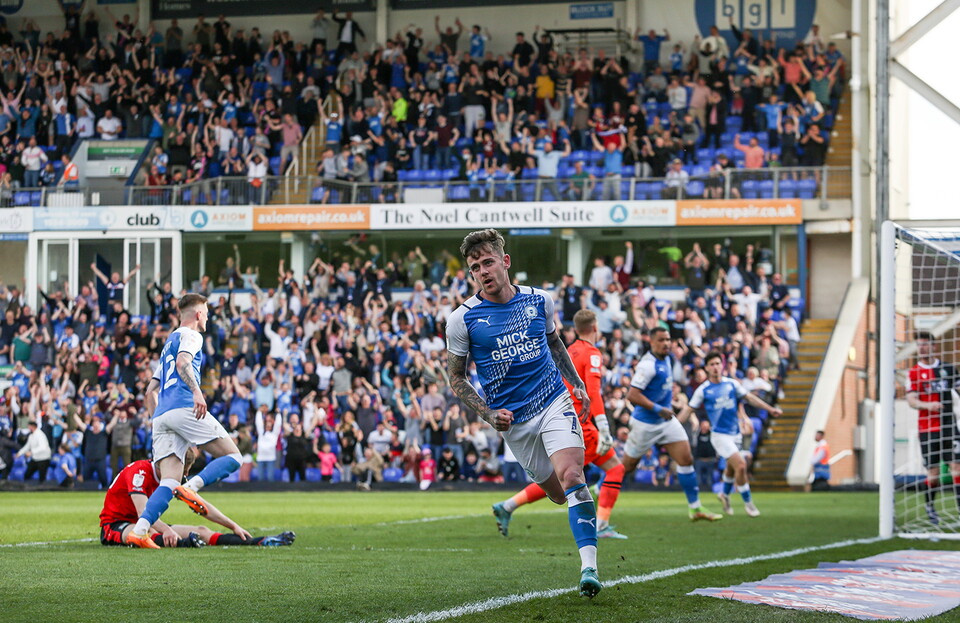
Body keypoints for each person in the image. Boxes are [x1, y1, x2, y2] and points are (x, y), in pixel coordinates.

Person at [446, 229, 601, 598]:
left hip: (553, 401)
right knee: (558, 494)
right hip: (513, 422)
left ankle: (589, 568)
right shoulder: (462, 319)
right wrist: (488, 414)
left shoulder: (539, 300)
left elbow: (553, 341)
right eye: (475, 268)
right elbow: (456, 377)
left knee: (573, 475)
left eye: (488, 262)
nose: (483, 272)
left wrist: (576, 382)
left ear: (505, 261)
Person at [492, 309, 628, 540]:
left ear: (576, 329)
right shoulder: (592, 354)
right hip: (581, 422)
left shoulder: (568, 350)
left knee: (562, 477)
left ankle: (508, 506)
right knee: (609, 470)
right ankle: (601, 525)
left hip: (560, 417)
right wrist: (604, 427)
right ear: (596, 328)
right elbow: (593, 391)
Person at [125, 294, 244, 549]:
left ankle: (140, 530)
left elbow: (150, 391)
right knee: (234, 457)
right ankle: (192, 487)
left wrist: (157, 419)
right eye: (207, 314)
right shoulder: (192, 335)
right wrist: (197, 392)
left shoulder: (169, 342)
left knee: (169, 481)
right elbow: (183, 362)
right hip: (183, 406)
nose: (208, 318)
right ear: (199, 314)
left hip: (162, 415)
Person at [620, 326, 723, 521]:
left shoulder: (667, 358)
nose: (666, 343)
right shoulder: (647, 365)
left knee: (686, 460)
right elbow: (632, 395)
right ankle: (599, 489)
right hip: (645, 423)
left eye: (668, 339)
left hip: (667, 421)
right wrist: (658, 408)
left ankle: (695, 508)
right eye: (661, 340)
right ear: (652, 342)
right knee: (627, 467)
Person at [99, 450, 294, 548]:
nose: (184, 476)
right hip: (116, 524)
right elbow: (143, 513)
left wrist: (232, 525)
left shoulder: (172, 475)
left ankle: (259, 542)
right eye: (184, 470)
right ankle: (185, 543)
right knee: (142, 532)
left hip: (148, 522)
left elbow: (199, 505)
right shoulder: (139, 472)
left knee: (202, 531)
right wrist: (166, 530)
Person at [679, 352, 781, 517]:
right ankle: (748, 503)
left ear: (722, 365)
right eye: (712, 364)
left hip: (736, 433)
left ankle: (724, 495)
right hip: (720, 436)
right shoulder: (703, 390)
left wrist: (770, 409)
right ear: (707, 368)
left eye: (718, 363)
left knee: (732, 468)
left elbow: (750, 398)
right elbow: (689, 409)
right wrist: (673, 425)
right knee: (741, 465)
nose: (715, 367)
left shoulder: (731, 384)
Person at [906, 331, 960, 524]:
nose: (922, 348)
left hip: (949, 426)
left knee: (957, 467)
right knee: (934, 473)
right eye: (919, 345)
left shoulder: (948, 369)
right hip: (928, 429)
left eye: (925, 344)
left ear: (933, 346)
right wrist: (928, 405)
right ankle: (930, 506)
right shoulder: (913, 373)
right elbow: (911, 400)